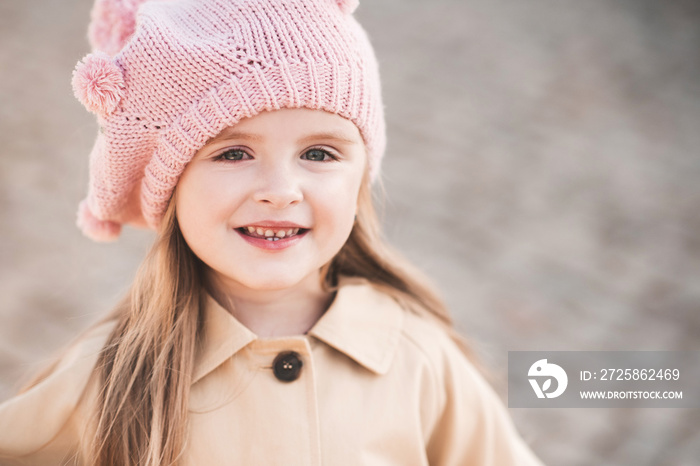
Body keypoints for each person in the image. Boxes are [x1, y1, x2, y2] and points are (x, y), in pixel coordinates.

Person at [0, 0, 544, 464]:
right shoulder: (113, 377)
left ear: (360, 176)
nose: (281, 190)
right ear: (169, 186)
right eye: (234, 152)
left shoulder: (416, 358)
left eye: (319, 152)